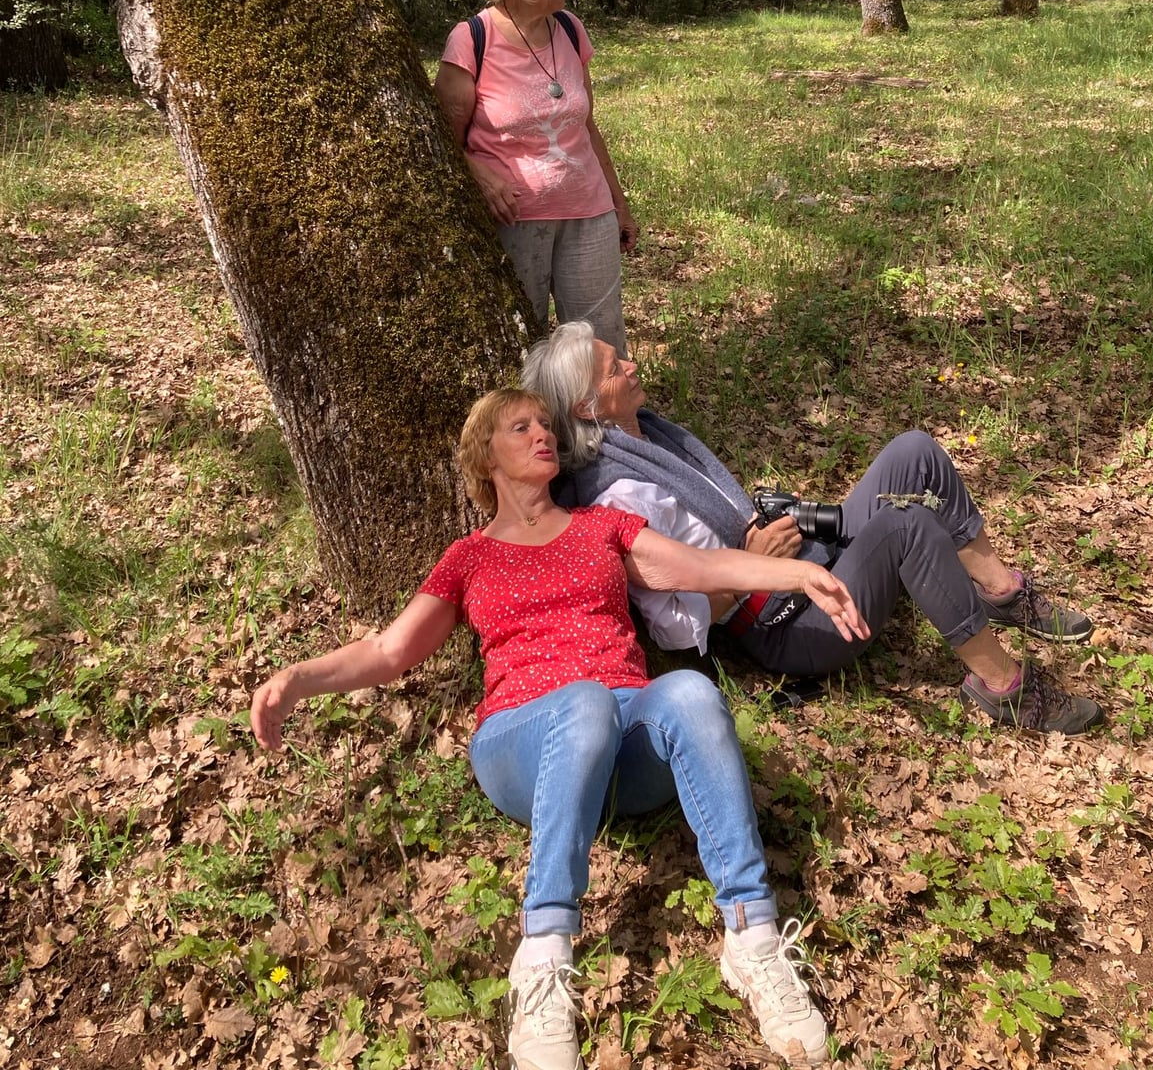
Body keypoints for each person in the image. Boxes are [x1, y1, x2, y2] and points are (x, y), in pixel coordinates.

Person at [251, 389, 866, 1069]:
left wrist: (800, 572)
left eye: (546, 425)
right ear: (485, 456)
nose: (543, 435)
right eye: (521, 427)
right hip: (522, 743)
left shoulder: (603, 526)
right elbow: (389, 652)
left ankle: (752, 941)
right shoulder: (469, 558)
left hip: (626, 740)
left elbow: (704, 567)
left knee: (689, 690)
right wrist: (298, 678)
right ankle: (542, 958)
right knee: (583, 702)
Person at [522, 323, 1105, 736]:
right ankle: (1005, 687)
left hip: (802, 565)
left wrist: (768, 538)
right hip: (785, 625)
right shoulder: (621, 493)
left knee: (914, 452)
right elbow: (674, 627)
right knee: (907, 524)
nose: (630, 364)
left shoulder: (650, 434)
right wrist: (753, 564)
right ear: (584, 406)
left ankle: (1001, 592)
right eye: (613, 367)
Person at [434, 0, 637, 355]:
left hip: (589, 215)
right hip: (513, 222)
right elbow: (440, 141)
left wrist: (619, 205)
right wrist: (478, 174)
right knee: (522, 348)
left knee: (599, 351)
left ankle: (605, 427)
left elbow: (587, 126)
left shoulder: (570, 29)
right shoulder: (470, 41)